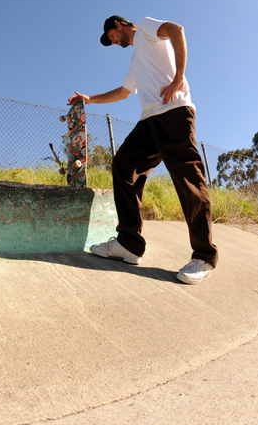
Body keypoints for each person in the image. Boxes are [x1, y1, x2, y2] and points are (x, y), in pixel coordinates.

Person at [68, 15, 218, 285]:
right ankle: (129, 244)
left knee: (188, 180)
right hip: (149, 121)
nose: (112, 42)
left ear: (119, 25)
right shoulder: (135, 60)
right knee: (123, 166)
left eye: (111, 36)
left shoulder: (147, 27)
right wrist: (90, 99)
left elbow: (176, 30)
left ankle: (204, 256)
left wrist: (179, 77)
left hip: (174, 112)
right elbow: (124, 92)